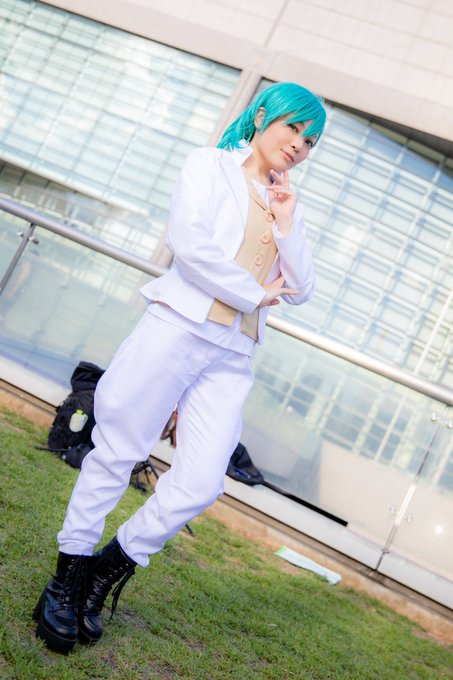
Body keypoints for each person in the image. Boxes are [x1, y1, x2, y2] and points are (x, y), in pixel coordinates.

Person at [33, 81, 326, 654]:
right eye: (293, 127)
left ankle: (106, 568)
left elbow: (304, 288)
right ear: (261, 117)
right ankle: (68, 574)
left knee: (201, 480)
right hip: (178, 329)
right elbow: (190, 247)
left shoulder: (286, 201)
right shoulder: (207, 166)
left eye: (310, 140)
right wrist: (255, 292)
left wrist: (287, 221)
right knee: (117, 450)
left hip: (233, 351)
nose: (299, 144)